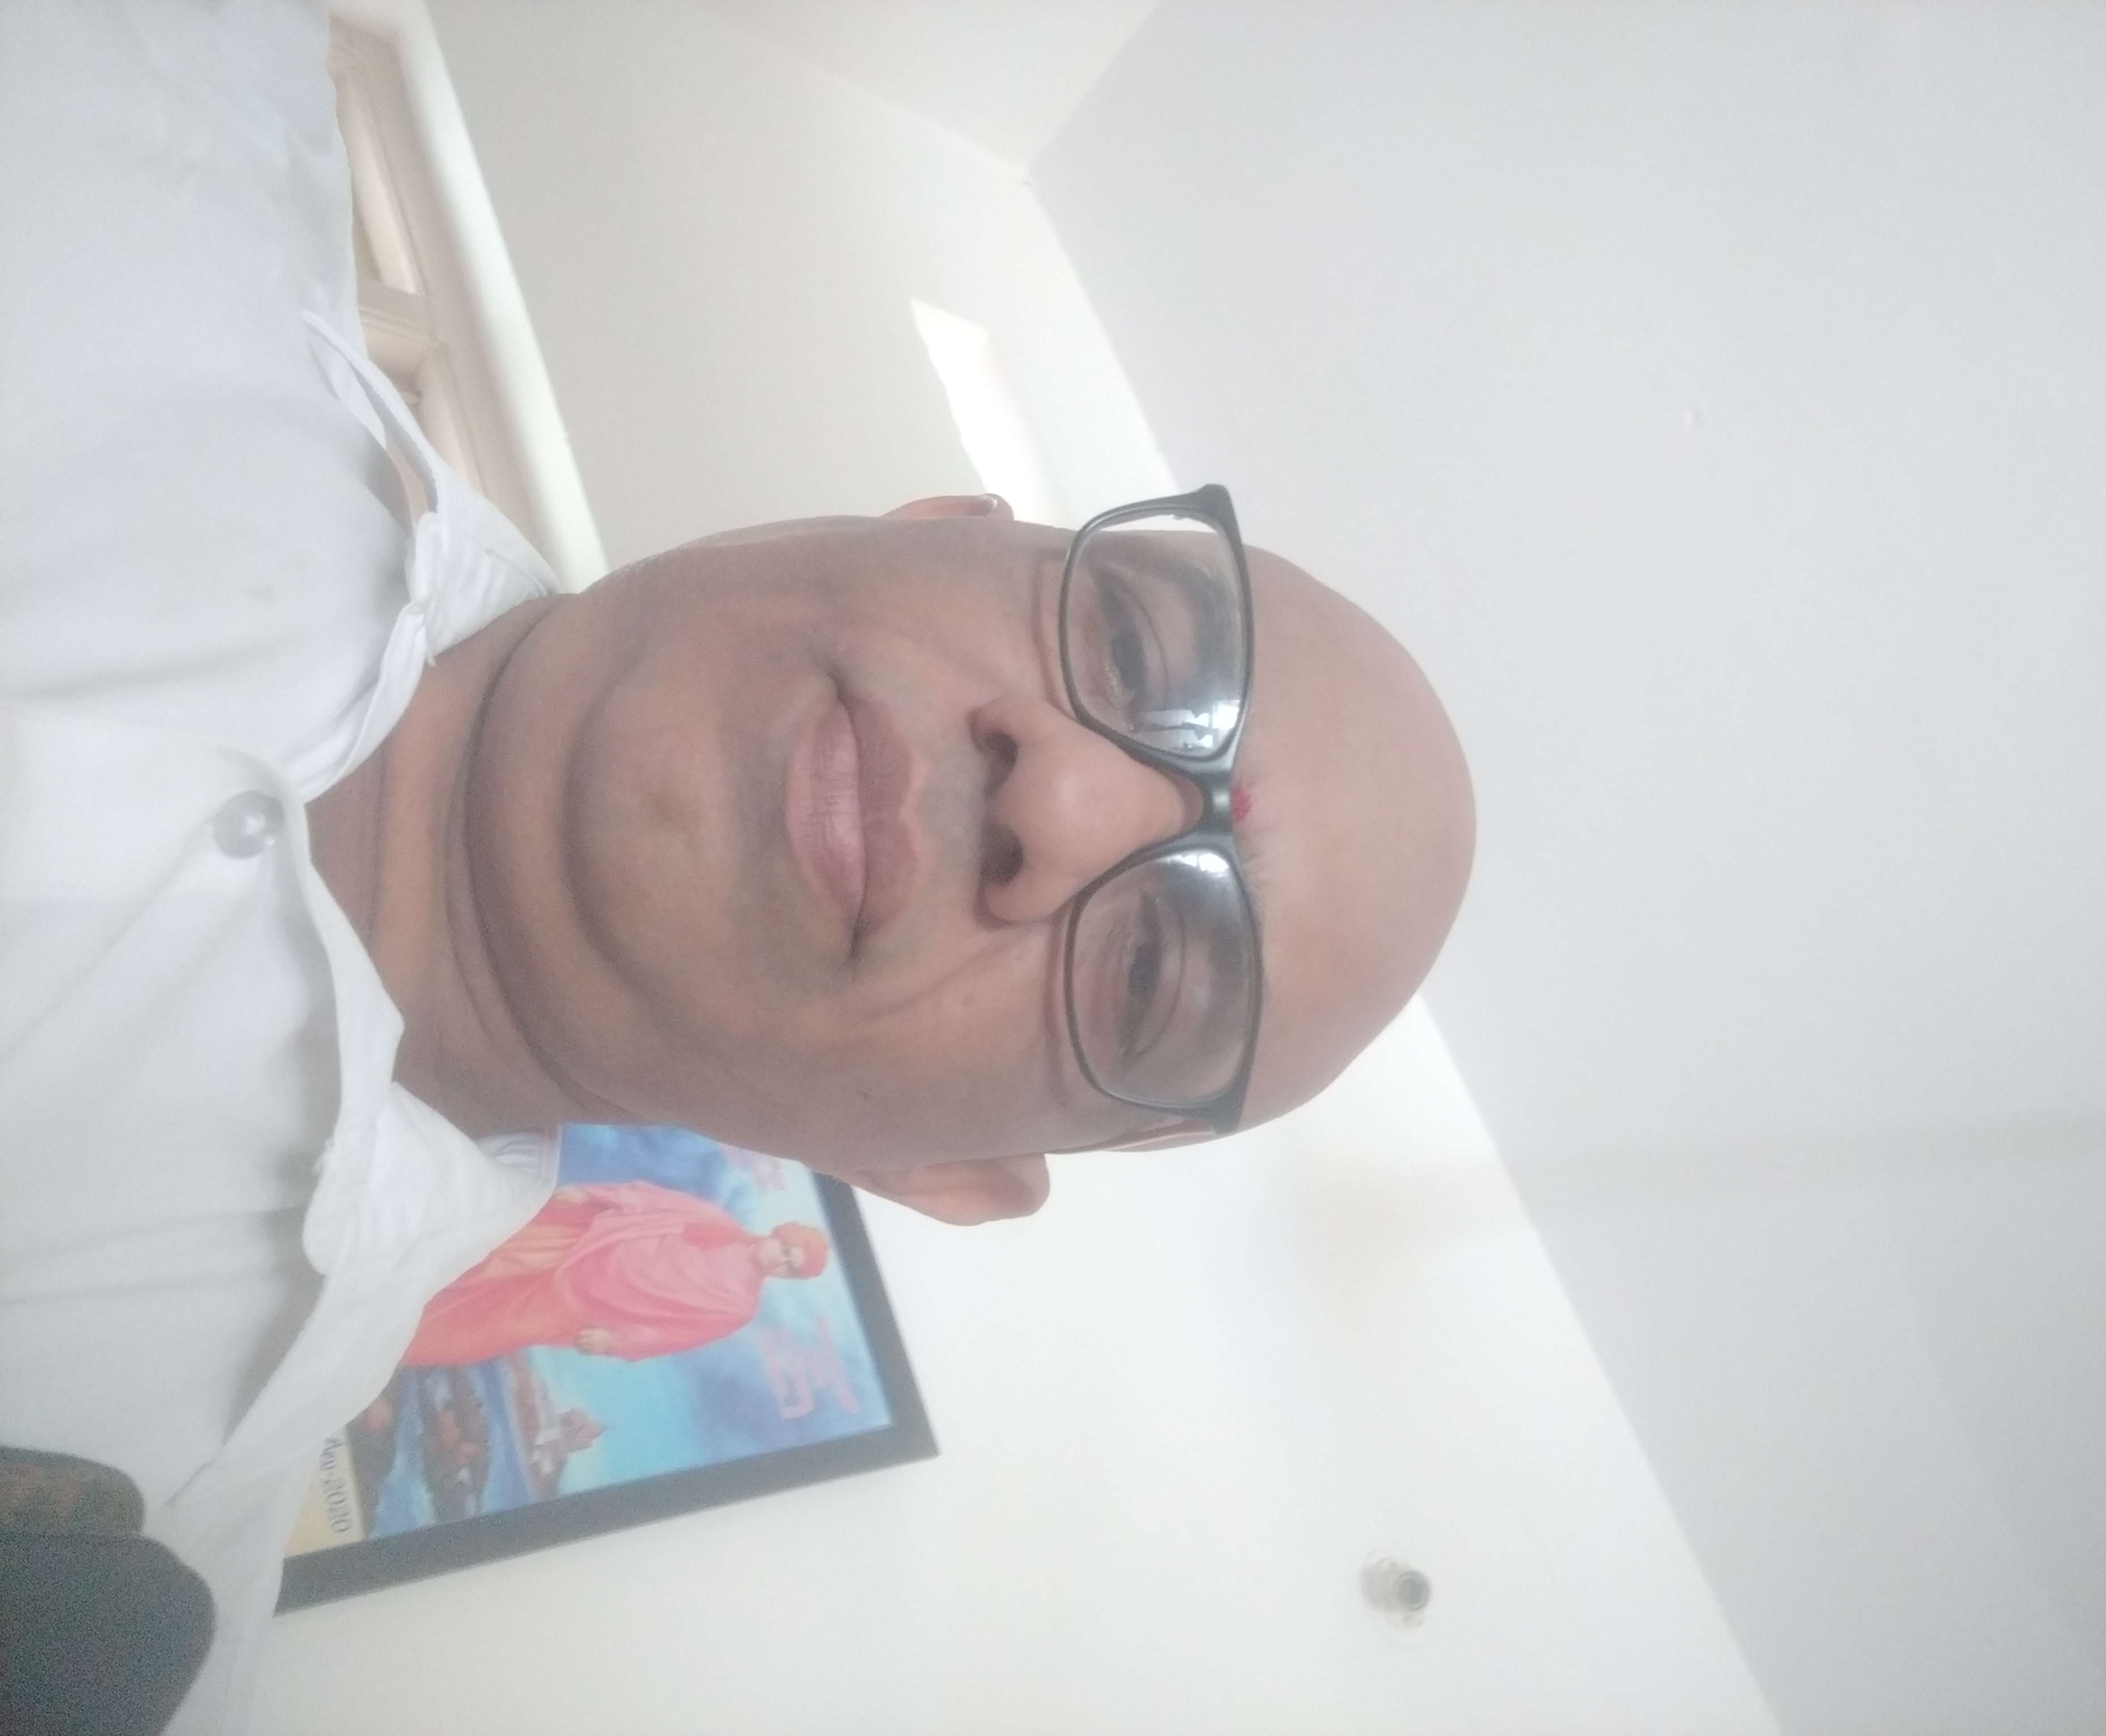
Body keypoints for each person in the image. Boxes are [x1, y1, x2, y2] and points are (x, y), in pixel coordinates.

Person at [0, 2, 1473, 1731]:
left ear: (936, 1169)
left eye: (1153, 972)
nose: (1068, 801)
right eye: (1139, 649)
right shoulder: (137, 70)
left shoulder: (104, 1625)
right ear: (940, 527)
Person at [401, 1182, 831, 1367]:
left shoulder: (738, 1308)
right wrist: (591, 1194)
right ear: (778, 1234)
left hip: (575, 1307)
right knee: (477, 1260)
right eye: (786, 1250)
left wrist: (617, 1342)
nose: (781, 1262)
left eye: (790, 1267)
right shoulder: (715, 1222)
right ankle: (392, 1278)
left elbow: (674, 1336)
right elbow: (646, 1198)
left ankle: (394, 1342)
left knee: (479, 1332)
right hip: (578, 1243)